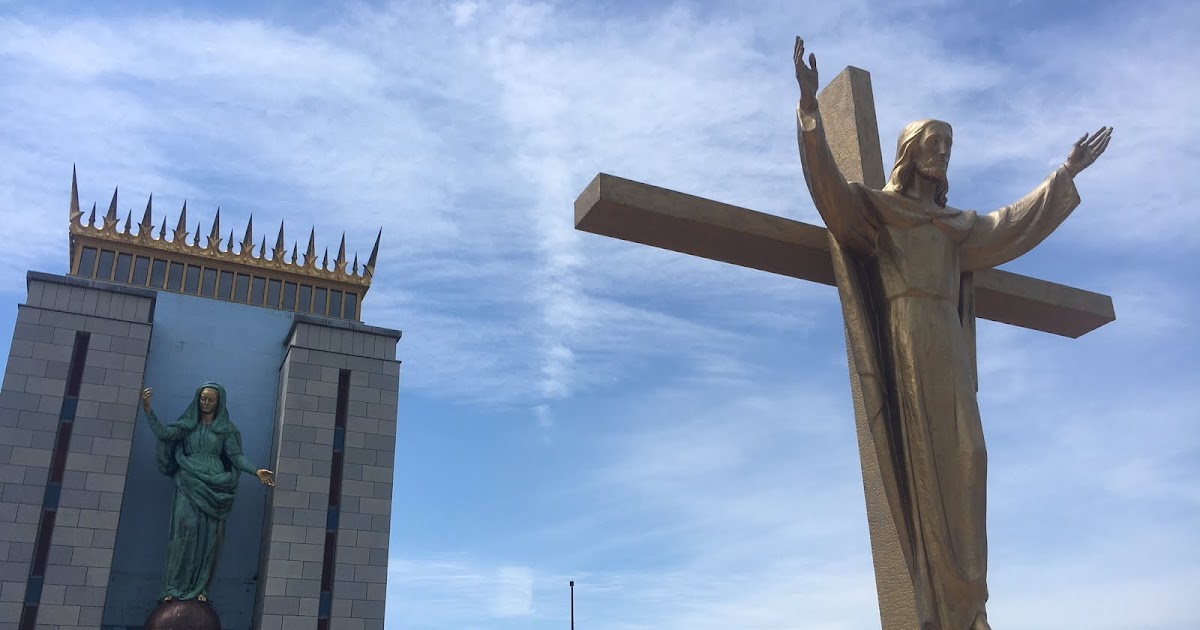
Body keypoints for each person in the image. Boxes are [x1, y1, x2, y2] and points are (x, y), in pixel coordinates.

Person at [792, 37, 1110, 630]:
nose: (941, 153)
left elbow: (1011, 223)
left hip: (947, 338)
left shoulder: (955, 228)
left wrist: (1062, 174)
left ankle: (970, 609)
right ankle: (938, 610)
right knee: (928, 467)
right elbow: (830, 192)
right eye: (931, 143)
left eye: (948, 145)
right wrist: (811, 114)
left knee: (970, 458)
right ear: (908, 154)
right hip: (908, 337)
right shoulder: (878, 212)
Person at [141, 383, 275, 602]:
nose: (206, 403)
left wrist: (256, 471)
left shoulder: (226, 429)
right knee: (185, 532)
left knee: (210, 538)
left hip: (215, 488)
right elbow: (164, 433)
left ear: (219, 402)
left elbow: (236, 457)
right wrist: (148, 410)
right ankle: (173, 587)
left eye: (210, 399)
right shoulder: (188, 426)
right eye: (203, 398)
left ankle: (201, 588)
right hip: (188, 481)